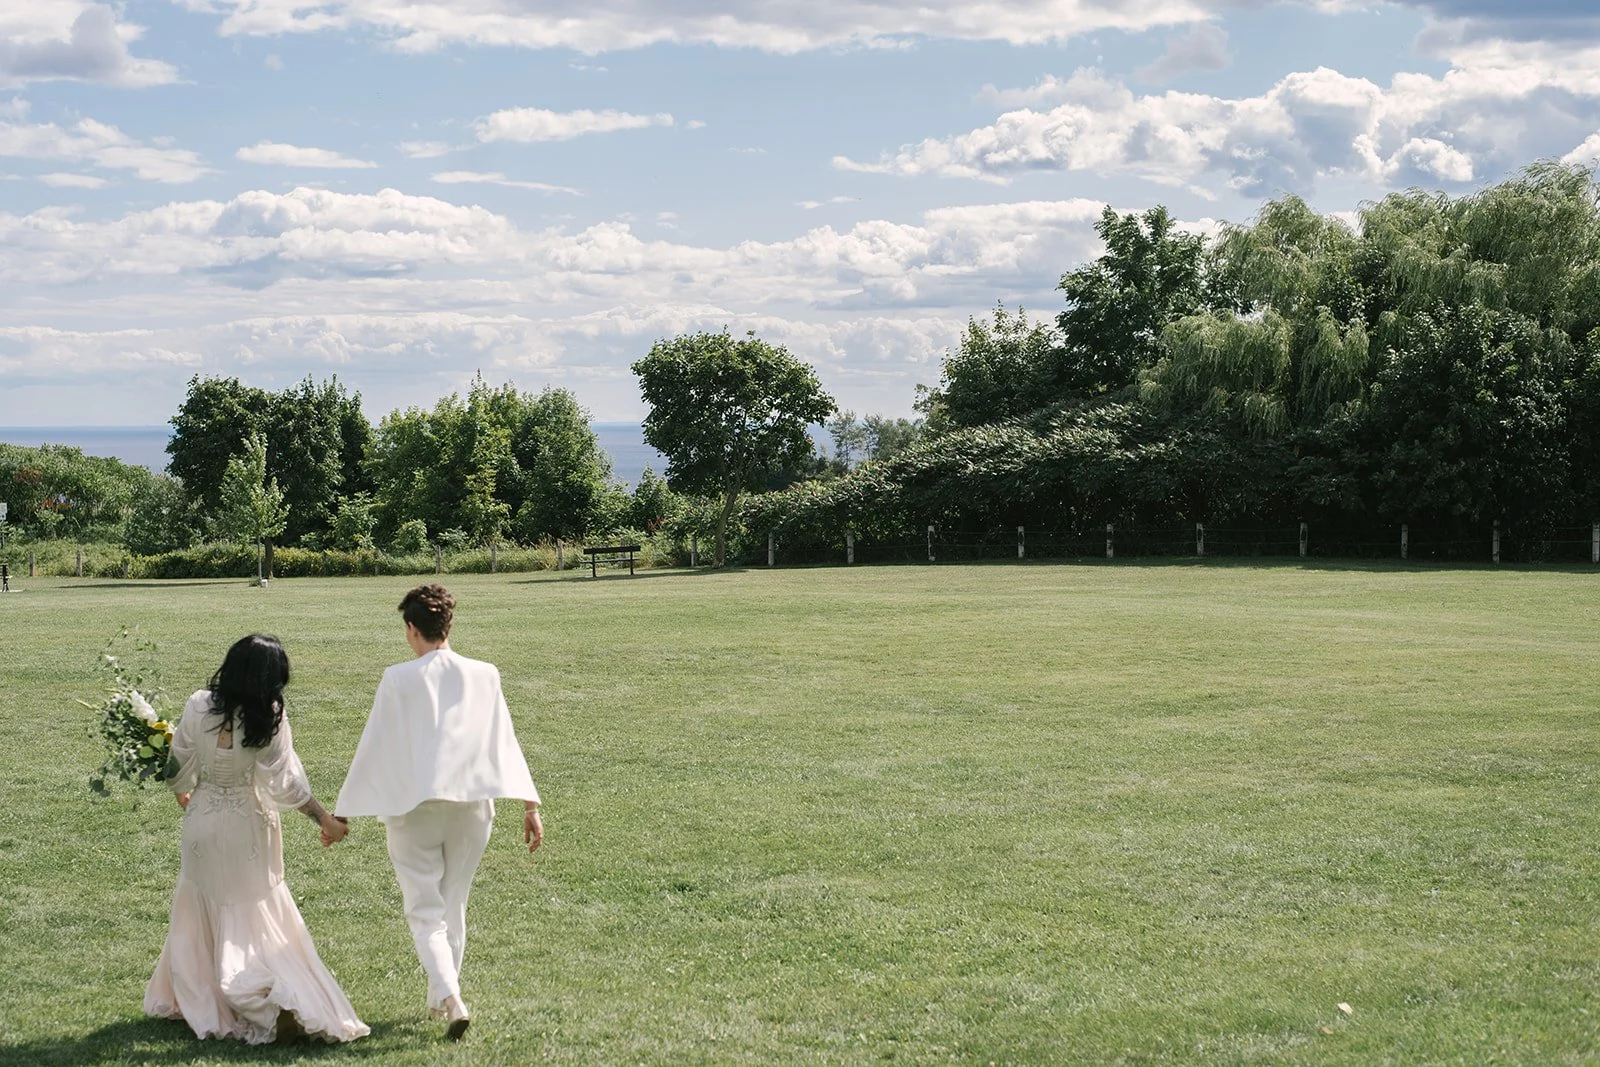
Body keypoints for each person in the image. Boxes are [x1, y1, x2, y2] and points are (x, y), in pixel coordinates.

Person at [336, 583, 543, 1041]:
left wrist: (346, 809)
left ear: (412, 630)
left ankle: (451, 997)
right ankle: (441, 998)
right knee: (454, 902)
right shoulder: (485, 673)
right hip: (472, 810)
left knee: (424, 910)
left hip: (416, 810)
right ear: (448, 625)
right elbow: (503, 738)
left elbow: (375, 744)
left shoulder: (398, 678)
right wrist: (529, 803)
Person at [145, 634, 369, 1045]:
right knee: (255, 908)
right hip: (251, 822)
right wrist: (324, 819)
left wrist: (182, 790)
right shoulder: (269, 715)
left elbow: (178, 763)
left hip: (204, 820)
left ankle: (211, 991)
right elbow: (286, 785)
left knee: (200, 903)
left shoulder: (198, 705)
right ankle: (262, 993)